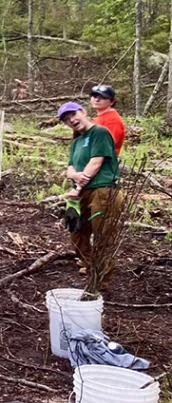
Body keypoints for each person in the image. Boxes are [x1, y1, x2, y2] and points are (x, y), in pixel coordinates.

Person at [58, 101, 122, 290]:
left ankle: (100, 282)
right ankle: (92, 266)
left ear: (84, 112)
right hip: (82, 191)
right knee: (77, 233)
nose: (71, 120)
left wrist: (77, 185)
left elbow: (96, 163)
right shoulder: (77, 141)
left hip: (103, 190)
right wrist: (74, 176)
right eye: (66, 120)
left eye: (73, 115)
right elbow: (70, 167)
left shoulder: (99, 133)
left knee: (103, 235)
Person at [89, 84, 125, 155]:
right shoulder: (100, 117)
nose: (97, 100)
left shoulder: (112, 120)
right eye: (94, 96)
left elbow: (106, 147)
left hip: (103, 162)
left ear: (112, 102)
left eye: (102, 97)